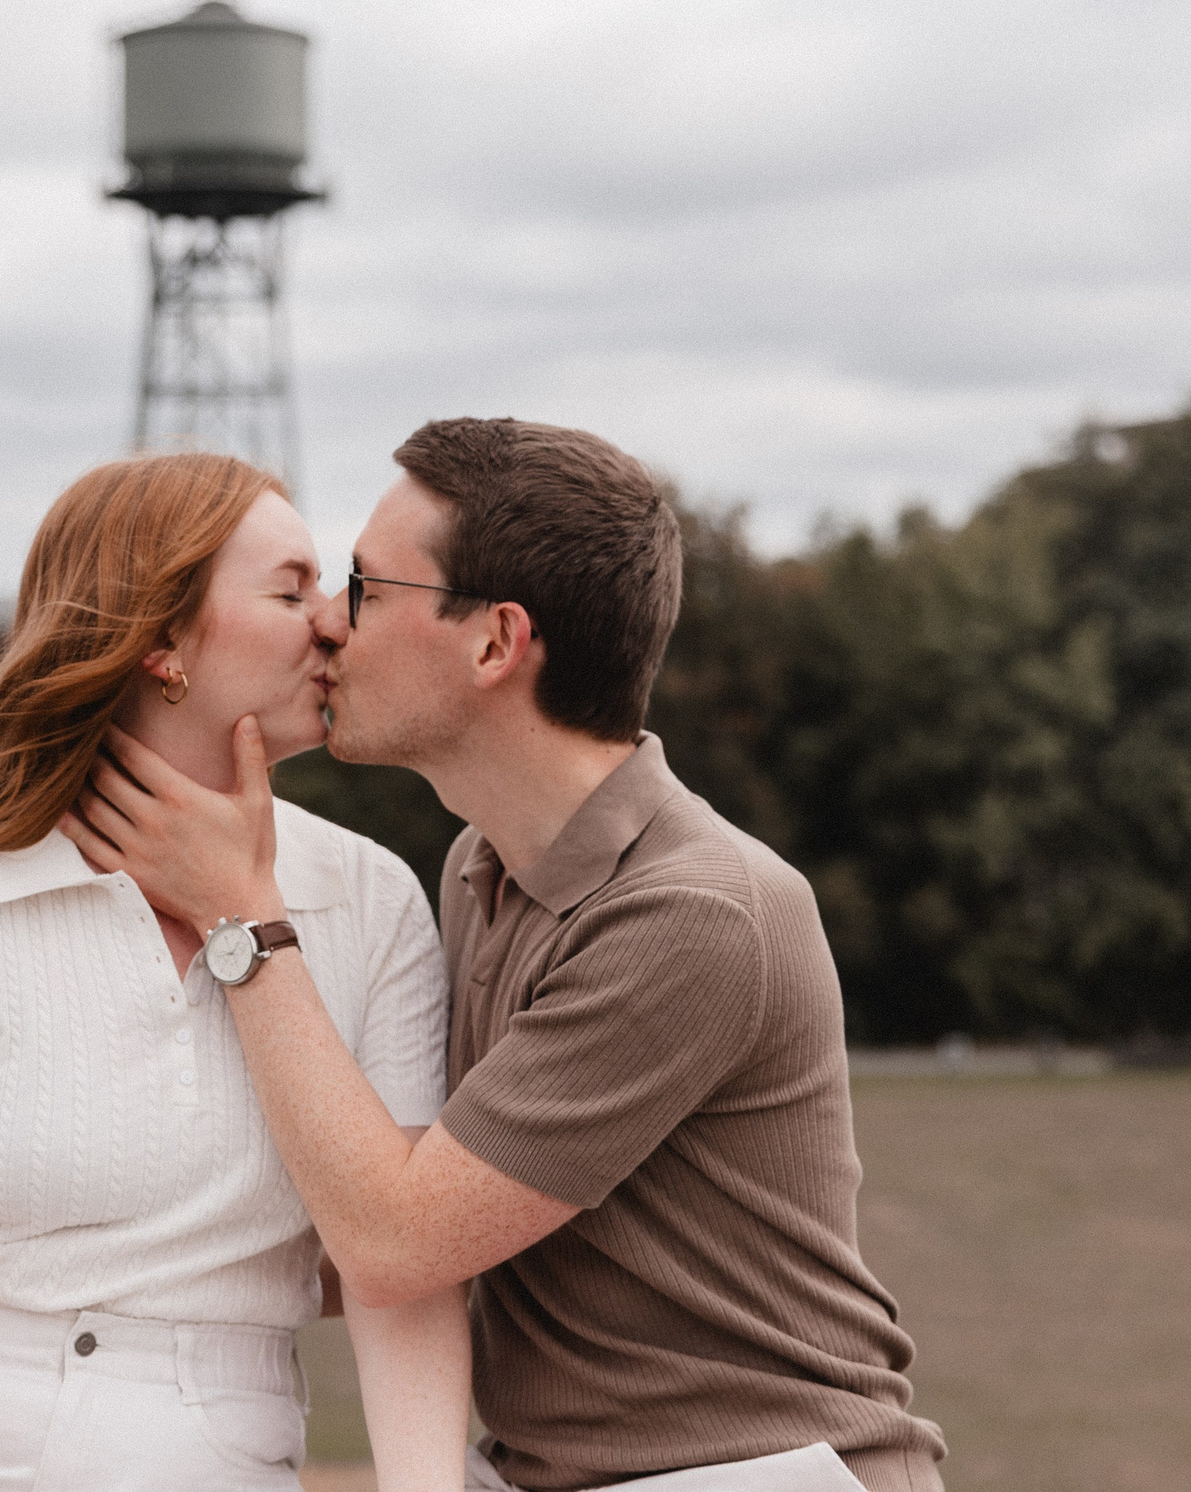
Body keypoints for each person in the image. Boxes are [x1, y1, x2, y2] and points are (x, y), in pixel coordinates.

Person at [64, 419, 950, 1492]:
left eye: (364, 586)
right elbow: (388, 1202)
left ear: (493, 643)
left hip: (748, 1473)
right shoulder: (482, 866)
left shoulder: (696, 915)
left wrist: (240, 917)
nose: (331, 625)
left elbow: (393, 1242)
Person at [0, 453, 470, 1492]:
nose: (334, 621)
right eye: (289, 590)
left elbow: (399, 1280)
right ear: (160, 640)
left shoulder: (372, 903)